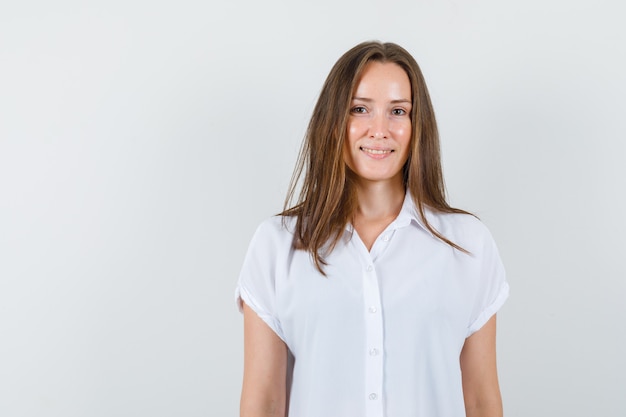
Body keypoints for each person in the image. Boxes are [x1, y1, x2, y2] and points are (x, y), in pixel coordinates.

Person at [235, 40, 509, 417]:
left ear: (417, 126)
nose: (380, 130)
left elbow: (480, 400)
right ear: (334, 123)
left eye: (398, 111)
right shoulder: (277, 245)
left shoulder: (468, 245)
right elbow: (263, 403)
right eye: (360, 109)